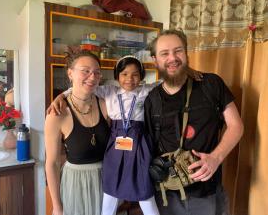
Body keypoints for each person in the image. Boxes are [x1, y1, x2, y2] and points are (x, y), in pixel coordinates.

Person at [48, 55, 202, 215]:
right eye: (124, 74)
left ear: (142, 76)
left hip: (139, 145)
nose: (130, 79)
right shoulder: (108, 91)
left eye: (135, 74)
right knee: (110, 193)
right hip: (114, 148)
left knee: (144, 191)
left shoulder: (147, 90)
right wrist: (61, 96)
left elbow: (170, 80)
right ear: (116, 76)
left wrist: (186, 70)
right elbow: (81, 88)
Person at [144, 29, 244, 215]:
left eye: (178, 50)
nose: (172, 58)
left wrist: (216, 158)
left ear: (187, 53)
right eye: (164, 53)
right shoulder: (151, 99)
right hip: (167, 195)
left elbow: (236, 125)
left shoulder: (211, 84)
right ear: (155, 60)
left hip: (207, 193)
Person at [44, 50, 110, 215]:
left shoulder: (106, 105)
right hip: (75, 184)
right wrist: (57, 207)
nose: (92, 77)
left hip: (106, 182)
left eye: (96, 72)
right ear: (70, 73)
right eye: (85, 71)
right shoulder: (57, 114)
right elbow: (52, 164)